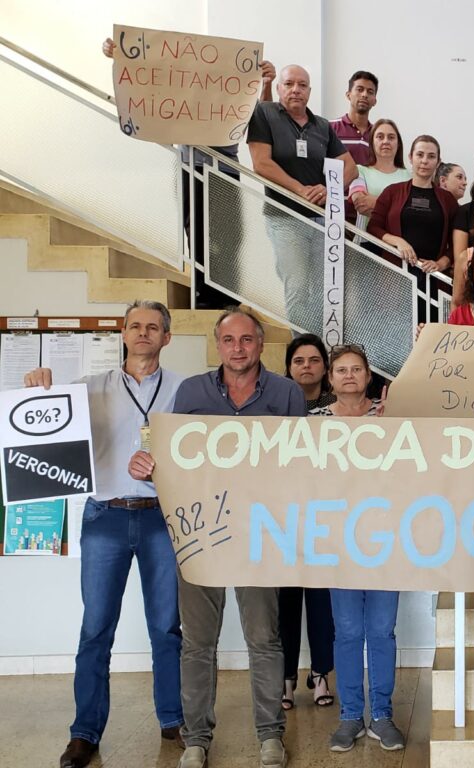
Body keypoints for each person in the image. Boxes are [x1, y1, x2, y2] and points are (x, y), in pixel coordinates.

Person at [129, 308, 306, 768]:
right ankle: (196, 739)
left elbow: (305, 463)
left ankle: (270, 734)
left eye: (246, 340)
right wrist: (147, 466)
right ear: (218, 345)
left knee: (264, 638)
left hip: (260, 533)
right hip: (200, 531)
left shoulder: (287, 393)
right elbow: (169, 457)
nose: (237, 348)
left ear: (260, 343)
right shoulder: (192, 392)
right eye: (229, 340)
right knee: (197, 642)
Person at [25, 301, 183, 768]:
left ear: (167, 337)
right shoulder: (87, 389)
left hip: (162, 518)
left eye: (152, 327)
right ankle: (84, 732)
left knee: (167, 628)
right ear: (124, 334)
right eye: (135, 326)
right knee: (95, 629)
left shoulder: (185, 390)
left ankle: (174, 719)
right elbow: (43, 421)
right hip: (104, 518)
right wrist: (39, 387)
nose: (143, 333)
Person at [102, 37, 275, 309]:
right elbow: (148, 85)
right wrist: (121, 57)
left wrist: (266, 84)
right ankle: (204, 297)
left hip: (226, 167)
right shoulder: (181, 90)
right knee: (196, 232)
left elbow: (262, 116)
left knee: (230, 235)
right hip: (190, 165)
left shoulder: (235, 92)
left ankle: (228, 298)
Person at [306, 345, 405, 752]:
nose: (349, 375)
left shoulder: (392, 418)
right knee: (346, 631)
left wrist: (392, 425)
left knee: (381, 630)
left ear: (369, 376)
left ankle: (382, 715)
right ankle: (350, 716)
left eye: (357, 369)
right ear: (330, 378)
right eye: (341, 370)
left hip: (386, 538)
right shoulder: (313, 423)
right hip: (337, 541)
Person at [247, 64, 358, 335]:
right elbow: (261, 164)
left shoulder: (322, 126)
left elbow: (351, 168)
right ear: (278, 88)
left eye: (302, 85)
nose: (295, 90)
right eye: (289, 84)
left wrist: (329, 190)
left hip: (322, 220)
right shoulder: (265, 113)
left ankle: (321, 346)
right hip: (284, 218)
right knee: (297, 285)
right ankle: (302, 347)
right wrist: (299, 189)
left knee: (324, 289)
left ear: (309, 90)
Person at [279, 334, 336, 711]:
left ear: (325, 368)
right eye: (298, 361)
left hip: (326, 516)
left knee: (321, 601)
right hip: (283, 515)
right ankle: (285, 677)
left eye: (314, 360)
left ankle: (321, 673)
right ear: (288, 368)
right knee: (284, 601)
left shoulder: (338, 408)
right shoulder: (275, 404)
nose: (306, 367)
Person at [368, 134, 459, 274]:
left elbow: (457, 244)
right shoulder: (392, 192)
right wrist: (398, 241)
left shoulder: (448, 200)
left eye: (431, 156)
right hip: (396, 275)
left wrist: (441, 264)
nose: (424, 161)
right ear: (411, 157)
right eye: (420, 155)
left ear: (438, 162)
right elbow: (373, 227)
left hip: (432, 278)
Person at [349, 118, 412, 233]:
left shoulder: (411, 177)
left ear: (398, 144)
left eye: (391, 137)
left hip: (400, 241)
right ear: (372, 143)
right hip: (366, 240)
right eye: (380, 137)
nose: (386, 141)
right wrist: (399, 208)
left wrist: (376, 203)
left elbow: (414, 213)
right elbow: (361, 204)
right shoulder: (359, 171)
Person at [329, 70, 378, 165]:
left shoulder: (377, 135)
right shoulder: (330, 128)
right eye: (360, 89)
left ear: (375, 101)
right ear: (348, 95)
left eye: (370, 92)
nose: (364, 95)